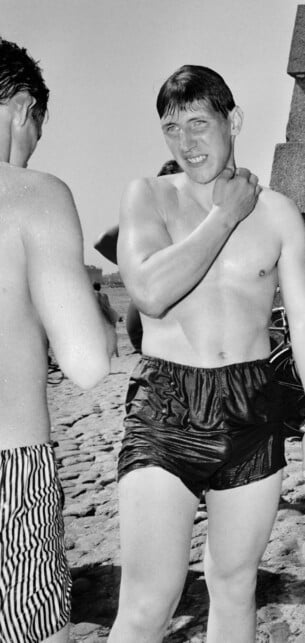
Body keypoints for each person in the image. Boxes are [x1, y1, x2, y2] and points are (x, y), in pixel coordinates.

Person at [109, 65, 305, 642]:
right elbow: (152, 292)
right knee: (148, 604)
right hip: (167, 405)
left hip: (252, 405)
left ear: (232, 120)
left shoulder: (280, 213)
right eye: (171, 128)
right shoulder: (149, 196)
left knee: (235, 586)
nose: (186, 143)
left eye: (199, 123)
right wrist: (225, 213)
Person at [0, 38, 116, 643]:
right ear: (23, 108)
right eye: (35, 129)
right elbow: (89, 363)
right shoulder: (33, 193)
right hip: (11, 464)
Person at [94, 159, 183, 353]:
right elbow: (104, 240)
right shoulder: (161, 222)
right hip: (153, 328)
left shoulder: (163, 223)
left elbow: (103, 241)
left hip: (147, 323)